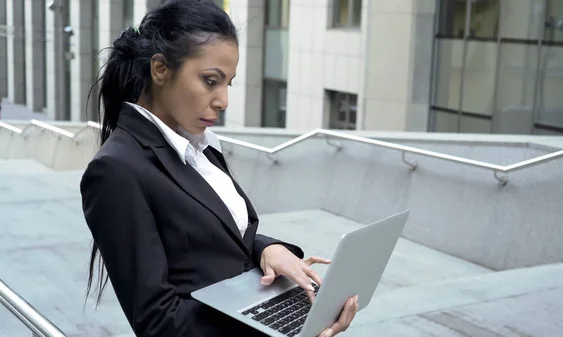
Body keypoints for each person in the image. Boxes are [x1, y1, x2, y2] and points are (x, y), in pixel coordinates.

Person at [80, 1, 358, 336]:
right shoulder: (117, 170)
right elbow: (158, 324)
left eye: (228, 83)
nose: (223, 100)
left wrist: (266, 248)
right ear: (160, 70)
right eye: (211, 81)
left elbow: (211, 237)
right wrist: (266, 329)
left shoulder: (199, 145)